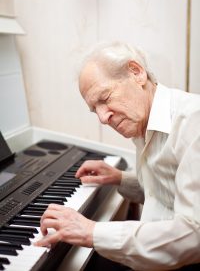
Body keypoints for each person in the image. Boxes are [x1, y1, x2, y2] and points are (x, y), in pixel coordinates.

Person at [35, 41, 200, 270]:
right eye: (95, 110)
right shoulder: (144, 120)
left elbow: (194, 236)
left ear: (136, 73)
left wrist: (91, 231)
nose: (103, 118)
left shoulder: (194, 122)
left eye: (104, 98)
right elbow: (165, 194)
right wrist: (120, 178)